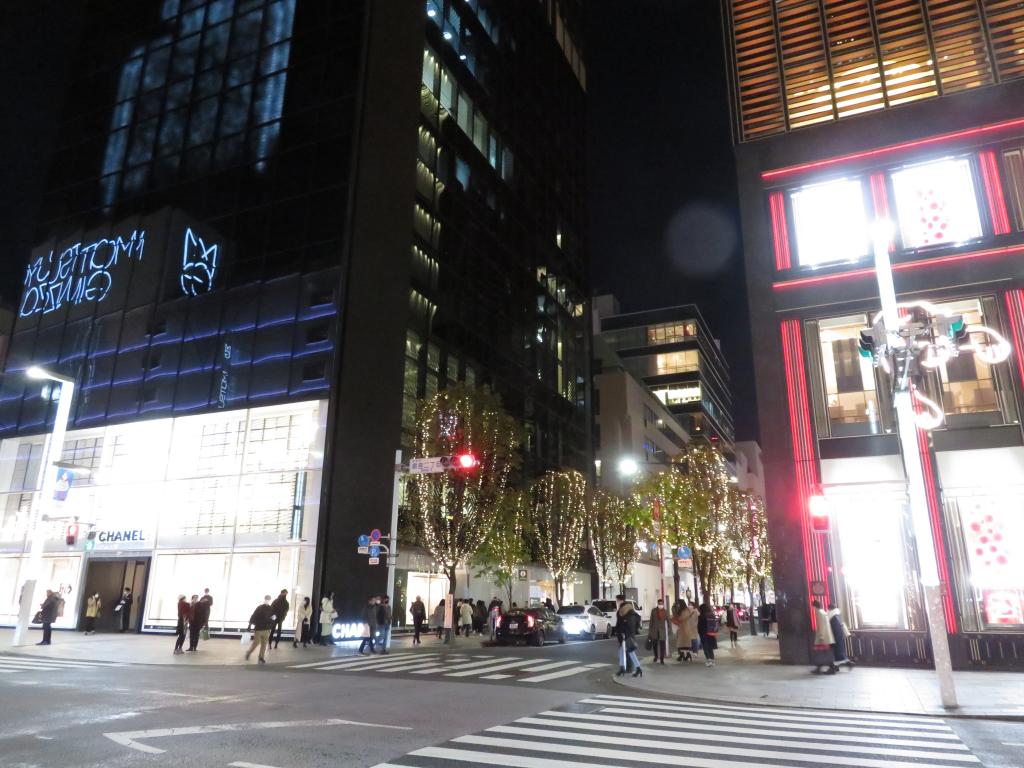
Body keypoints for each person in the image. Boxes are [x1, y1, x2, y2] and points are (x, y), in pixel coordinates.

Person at [616, 598, 643, 677]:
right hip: (629, 635)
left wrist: (622, 633)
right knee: (625, 651)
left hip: (625, 636)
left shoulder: (625, 614)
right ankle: (625, 668)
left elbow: (622, 626)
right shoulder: (633, 613)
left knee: (629, 651)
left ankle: (636, 668)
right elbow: (637, 622)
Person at [245, 595, 276, 664]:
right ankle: (249, 652)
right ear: (265, 599)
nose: (267, 600)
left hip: (266, 629)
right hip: (259, 629)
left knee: (264, 644)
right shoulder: (260, 608)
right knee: (256, 642)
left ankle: (261, 657)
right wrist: (249, 625)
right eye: (267, 599)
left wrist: (271, 623)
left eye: (268, 599)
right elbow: (253, 616)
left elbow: (273, 618)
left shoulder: (271, 609)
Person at [811, 600, 838, 674]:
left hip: (823, 637)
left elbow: (821, 625)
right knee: (823, 653)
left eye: (813, 606)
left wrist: (821, 637)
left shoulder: (819, 613)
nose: (812, 608)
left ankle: (831, 667)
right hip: (827, 636)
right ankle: (821, 668)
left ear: (814, 606)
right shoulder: (823, 612)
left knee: (822, 653)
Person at [828, 603, 854, 670]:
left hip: (835, 637)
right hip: (839, 636)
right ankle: (847, 664)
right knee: (840, 652)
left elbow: (834, 628)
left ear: (830, 609)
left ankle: (834, 668)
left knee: (838, 652)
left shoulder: (833, 617)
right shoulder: (837, 615)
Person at [697, 601, 719, 667]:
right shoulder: (711, 614)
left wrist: (699, 632)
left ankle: (708, 660)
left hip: (703, 633)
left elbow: (700, 625)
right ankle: (712, 660)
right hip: (711, 633)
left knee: (705, 647)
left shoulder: (701, 616)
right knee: (710, 647)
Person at [648, 599, 668, 664]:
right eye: (659, 603)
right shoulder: (653, 611)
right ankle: (656, 656)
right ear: (657, 604)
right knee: (655, 644)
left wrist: (670, 628)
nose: (660, 605)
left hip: (662, 630)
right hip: (655, 630)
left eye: (661, 604)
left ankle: (662, 658)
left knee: (662, 645)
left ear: (663, 604)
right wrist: (650, 631)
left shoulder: (665, 611)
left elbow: (668, 620)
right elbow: (651, 621)